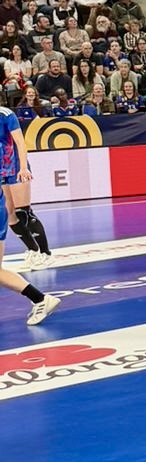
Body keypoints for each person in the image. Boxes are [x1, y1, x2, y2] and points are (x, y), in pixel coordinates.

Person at [0, 107, 59, 323]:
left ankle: (44, 252)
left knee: (24, 212)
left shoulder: (5, 115)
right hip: (2, 175)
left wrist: (23, 167)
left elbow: (20, 143)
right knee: (12, 215)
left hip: (15, 167)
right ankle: (32, 252)